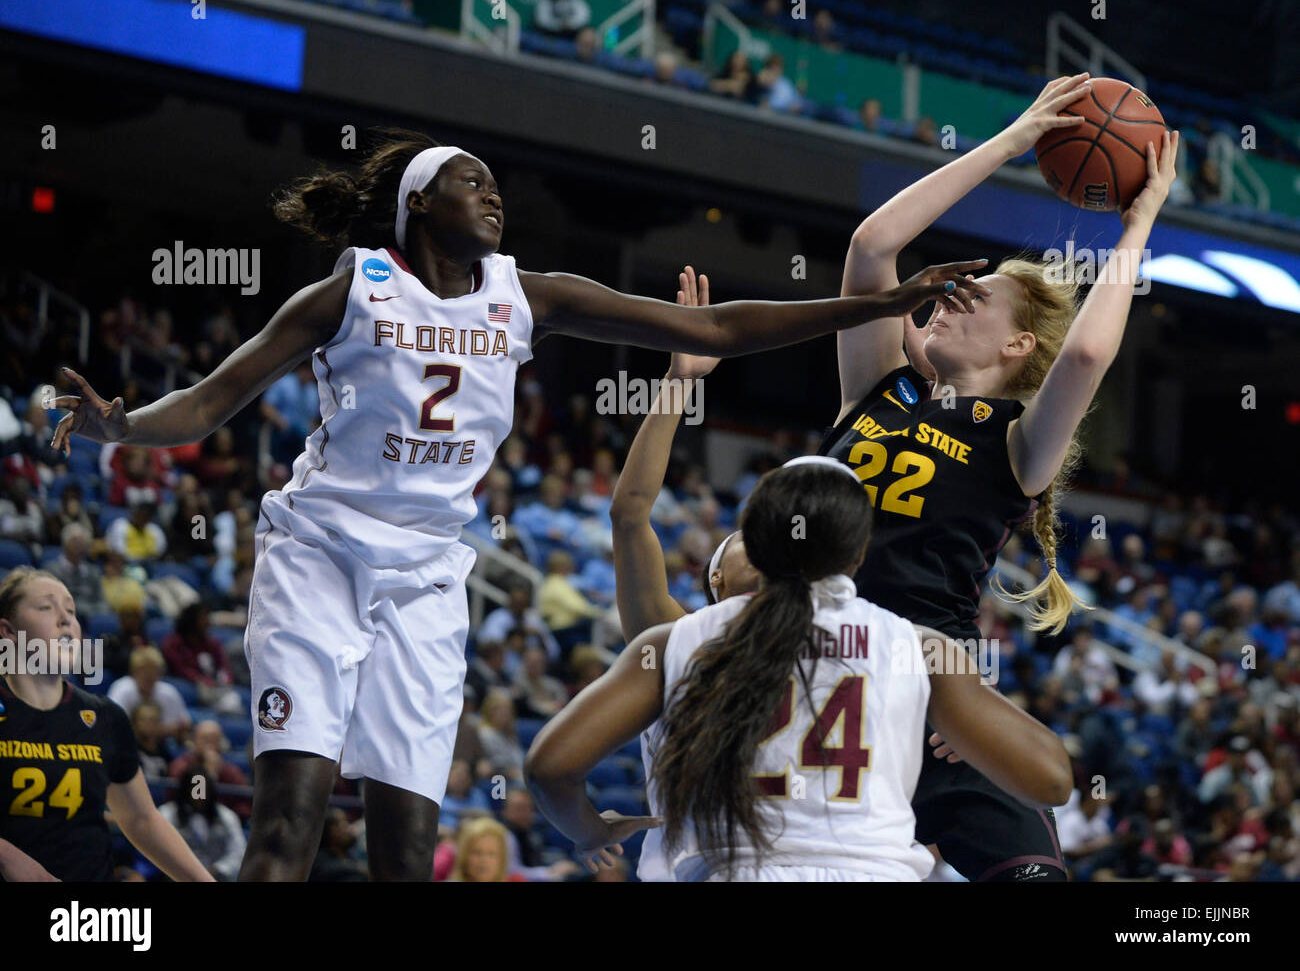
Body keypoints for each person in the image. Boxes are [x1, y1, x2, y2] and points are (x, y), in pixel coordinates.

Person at [51, 130, 980, 882]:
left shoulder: (521, 296)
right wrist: (119, 426)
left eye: (496, 183)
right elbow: (214, 399)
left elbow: (713, 328)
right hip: (320, 554)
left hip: (427, 573)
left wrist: (885, 303)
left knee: (409, 853)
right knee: (289, 823)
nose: (493, 194)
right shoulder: (352, 289)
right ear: (420, 203)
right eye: (469, 181)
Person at [813, 73, 1178, 880]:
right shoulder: (876, 387)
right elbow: (873, 247)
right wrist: (1016, 139)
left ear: (1017, 349)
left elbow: (1085, 352)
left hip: (940, 701)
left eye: (979, 298)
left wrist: (1139, 222)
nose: (953, 297)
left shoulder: (1016, 443)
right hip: (821, 677)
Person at [524, 460, 1071, 879]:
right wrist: (972, 716)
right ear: (860, 554)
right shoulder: (915, 646)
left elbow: (549, 768)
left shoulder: (675, 641)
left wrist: (591, 831)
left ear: (756, 543)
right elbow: (1050, 779)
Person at [0, 569, 213, 881]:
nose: (65, 619)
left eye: (71, 611)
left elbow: (140, 819)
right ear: (7, 631)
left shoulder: (105, 717)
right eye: (46, 607)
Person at [157, 769, 246, 882]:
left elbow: (238, 852)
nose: (199, 794)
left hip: (217, 878)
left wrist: (219, 869)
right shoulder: (166, 814)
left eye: (203, 789)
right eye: (195, 788)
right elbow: (159, 849)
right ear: (186, 789)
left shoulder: (226, 816)